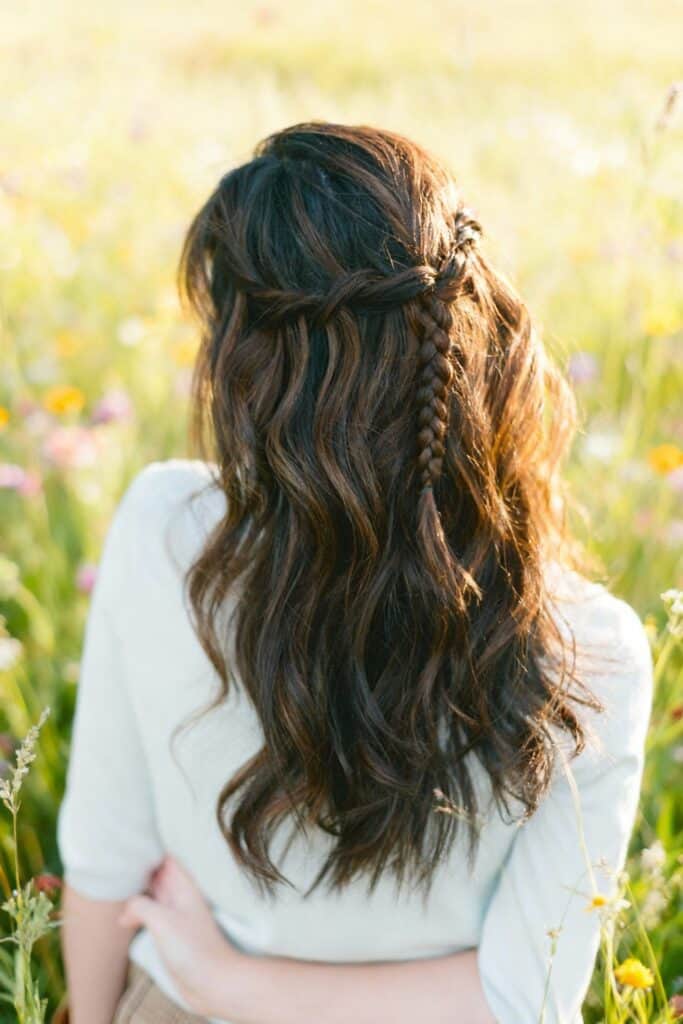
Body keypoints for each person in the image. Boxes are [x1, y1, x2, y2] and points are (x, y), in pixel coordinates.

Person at [57, 121, 654, 1024]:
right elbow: (523, 993)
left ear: (254, 374)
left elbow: (105, 868)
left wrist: (225, 985)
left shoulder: (159, 533)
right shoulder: (594, 654)